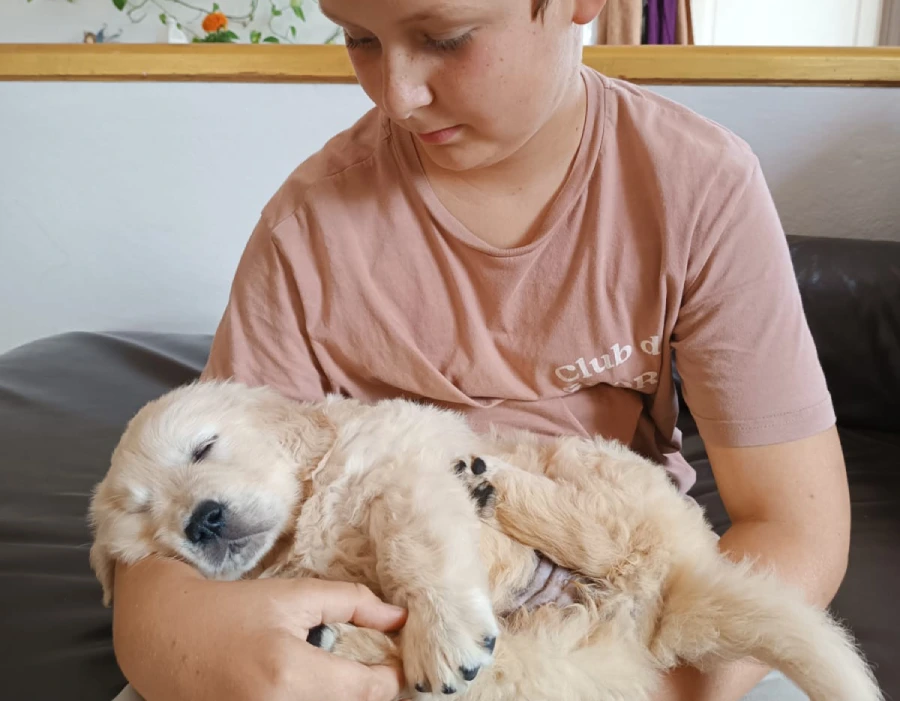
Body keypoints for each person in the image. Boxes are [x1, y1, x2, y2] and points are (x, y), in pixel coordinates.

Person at [109, 0, 853, 699]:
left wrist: (633, 679)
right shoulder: (307, 228)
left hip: (614, 603)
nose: (395, 95)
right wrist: (185, 649)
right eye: (358, 37)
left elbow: (798, 525)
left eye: (445, 37)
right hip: (392, 639)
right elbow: (161, 574)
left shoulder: (697, 184)